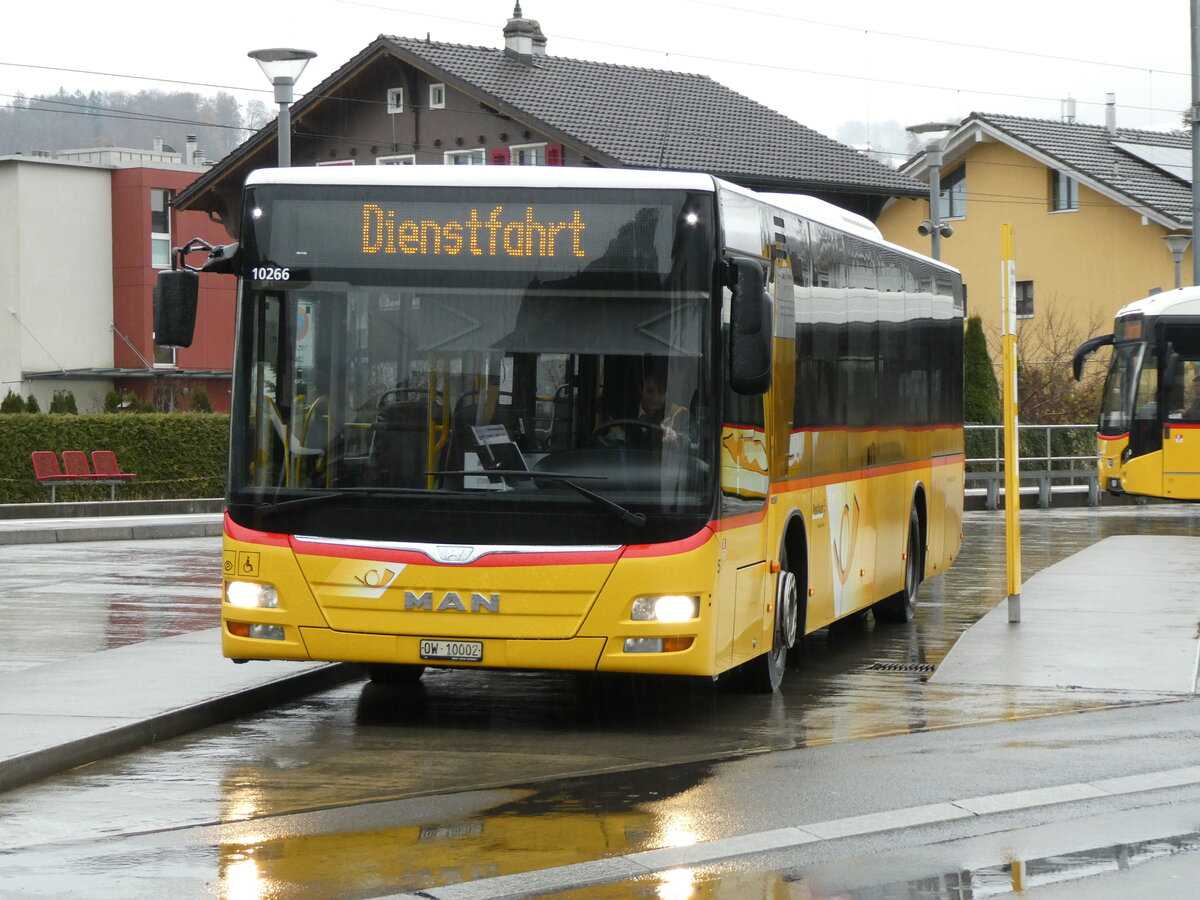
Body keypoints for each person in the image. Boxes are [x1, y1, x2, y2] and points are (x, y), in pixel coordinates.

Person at [637, 371, 688, 447]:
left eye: (660, 392)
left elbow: (689, 442)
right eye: (650, 391)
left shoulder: (679, 413)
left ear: (667, 392)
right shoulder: (626, 411)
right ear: (640, 389)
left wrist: (676, 437)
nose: (655, 397)